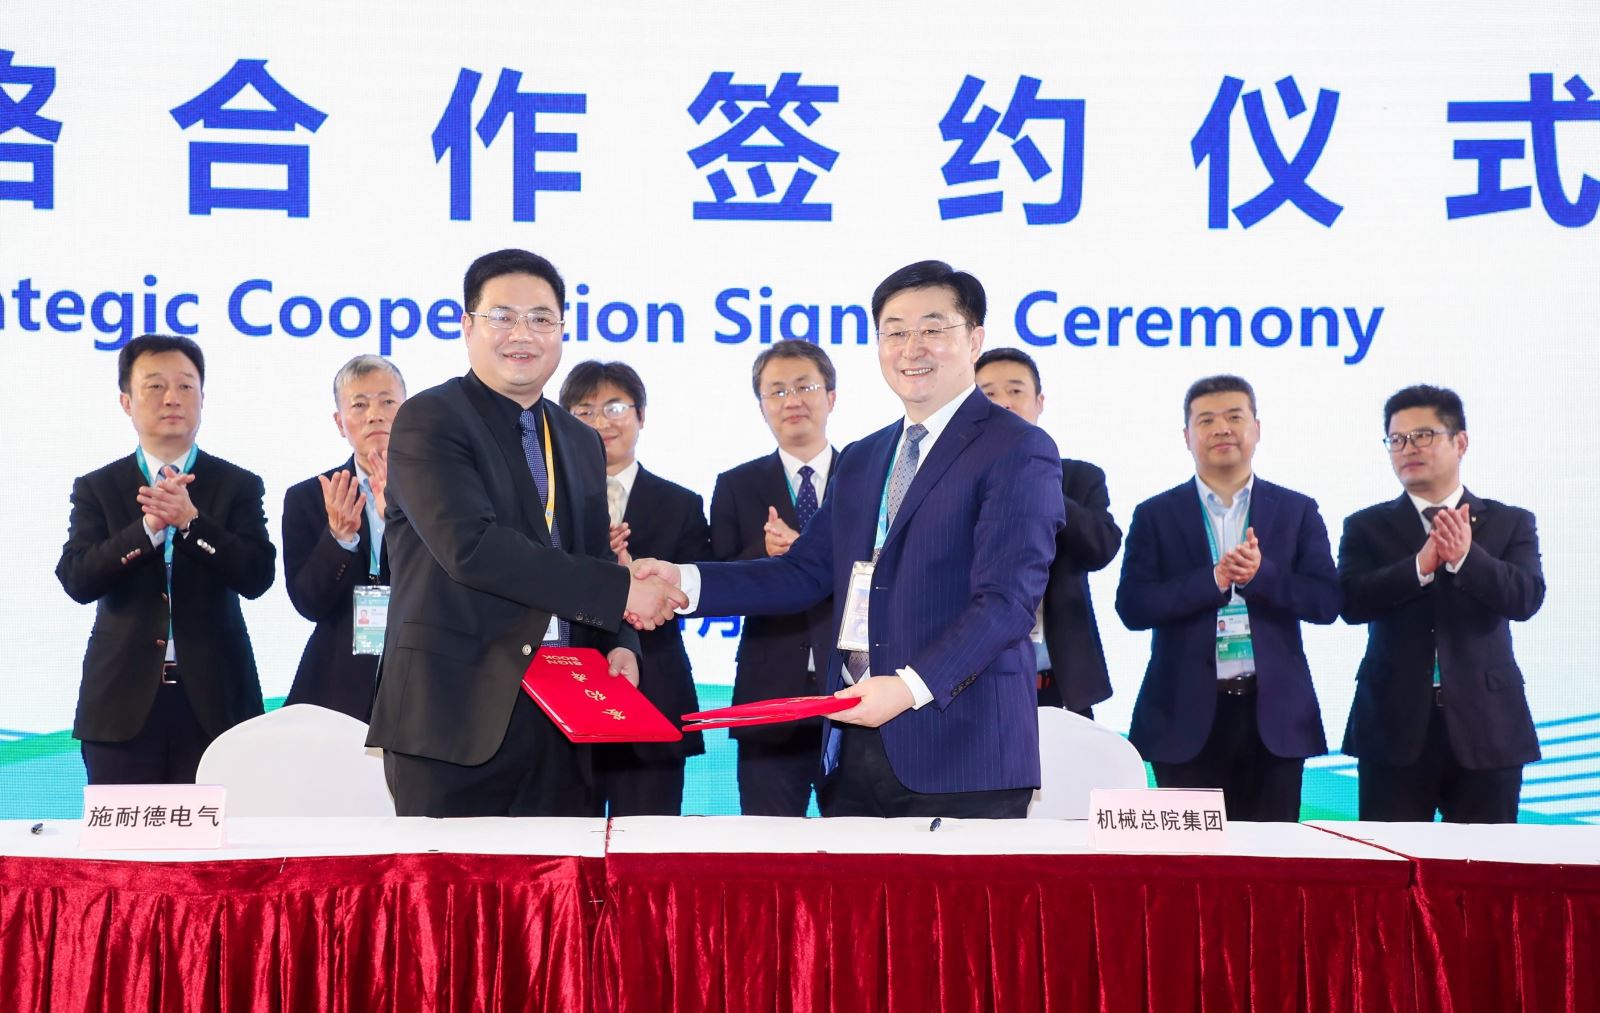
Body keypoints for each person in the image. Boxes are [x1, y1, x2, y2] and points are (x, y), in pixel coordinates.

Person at [636, 260, 1065, 819]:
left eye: (933, 328)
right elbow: (803, 572)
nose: (912, 348)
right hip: (852, 744)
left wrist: (907, 688)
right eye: (895, 331)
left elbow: (1006, 603)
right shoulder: (865, 457)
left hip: (960, 748)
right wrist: (683, 581)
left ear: (974, 339)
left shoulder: (1017, 448)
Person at [364, 249, 685, 818]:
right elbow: (472, 549)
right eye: (502, 317)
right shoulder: (430, 419)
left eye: (540, 318)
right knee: (450, 878)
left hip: (566, 716)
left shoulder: (578, 439)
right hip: (454, 719)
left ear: (561, 330)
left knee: (558, 877)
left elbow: (593, 553)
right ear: (467, 326)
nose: (522, 334)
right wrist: (623, 594)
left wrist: (620, 641)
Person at [1115, 375, 1339, 821]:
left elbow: (1326, 602)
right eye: (1206, 420)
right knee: (1193, 857)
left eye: (1234, 417)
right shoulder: (1156, 514)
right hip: (1183, 716)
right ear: (1187, 436)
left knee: (1272, 854)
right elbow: (1133, 607)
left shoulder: (1297, 510)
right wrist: (1213, 580)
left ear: (1257, 428)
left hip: (1274, 716)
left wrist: (1262, 576)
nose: (1221, 428)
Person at [56, 333, 276, 784]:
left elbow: (257, 575)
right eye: (155, 386)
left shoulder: (237, 484)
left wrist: (192, 523)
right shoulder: (98, 487)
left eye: (185, 386)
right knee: (126, 831)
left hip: (216, 702)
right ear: (126, 402)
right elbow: (77, 578)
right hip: (121, 704)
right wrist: (147, 530)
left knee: (217, 830)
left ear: (202, 398)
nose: (172, 397)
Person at [1339, 384, 1543, 823]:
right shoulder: (1366, 526)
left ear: (1460, 442)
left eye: (1423, 435)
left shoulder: (1509, 522)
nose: (1408, 449)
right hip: (1393, 725)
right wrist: (1419, 566)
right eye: (1397, 440)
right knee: (1389, 859)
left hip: (1487, 726)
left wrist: (1467, 557)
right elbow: (1351, 602)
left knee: (1487, 861)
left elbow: (1526, 598)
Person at [559, 360, 710, 816]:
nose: (601, 422)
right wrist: (594, 563)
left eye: (615, 407)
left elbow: (698, 594)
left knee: (649, 848)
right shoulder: (547, 504)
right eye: (584, 411)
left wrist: (631, 572)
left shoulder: (681, 503)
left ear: (641, 415)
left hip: (656, 693)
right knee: (566, 845)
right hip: (569, 696)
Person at [707, 339, 839, 815]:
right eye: (777, 391)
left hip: (852, 692)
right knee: (766, 841)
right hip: (768, 693)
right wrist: (762, 555)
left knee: (860, 841)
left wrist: (809, 551)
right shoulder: (736, 485)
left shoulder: (868, 476)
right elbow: (718, 580)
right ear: (761, 407)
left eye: (805, 387)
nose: (792, 400)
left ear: (831, 396)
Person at [975, 347, 1121, 717]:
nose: (1004, 403)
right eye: (988, 394)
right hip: (977, 688)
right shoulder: (952, 482)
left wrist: (1038, 475)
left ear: (1039, 402)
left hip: (1061, 687)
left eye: (1015, 391)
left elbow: (1101, 548)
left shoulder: (1078, 477)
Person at [282, 354, 406, 721]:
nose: (375, 415)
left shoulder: (442, 492)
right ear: (340, 423)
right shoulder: (309, 497)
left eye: (387, 402)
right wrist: (339, 539)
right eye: (359, 405)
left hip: (422, 681)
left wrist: (402, 518)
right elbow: (308, 603)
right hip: (337, 687)